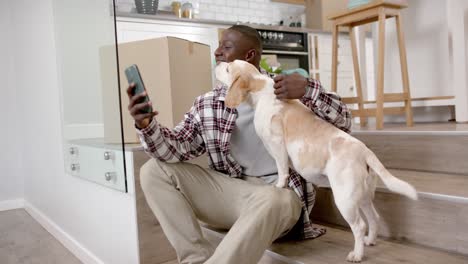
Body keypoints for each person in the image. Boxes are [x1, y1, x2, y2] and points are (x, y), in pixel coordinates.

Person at [127, 25, 351, 264]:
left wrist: (309, 90)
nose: (217, 52)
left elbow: (344, 123)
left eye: (226, 46)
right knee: (153, 170)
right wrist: (146, 124)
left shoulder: (286, 93)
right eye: (219, 46)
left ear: (249, 56)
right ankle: (195, 258)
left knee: (277, 198)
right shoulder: (208, 103)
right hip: (230, 195)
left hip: (277, 198)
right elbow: (173, 148)